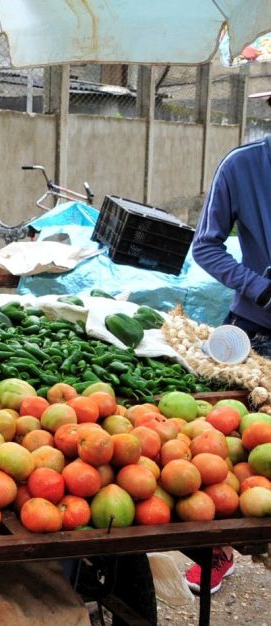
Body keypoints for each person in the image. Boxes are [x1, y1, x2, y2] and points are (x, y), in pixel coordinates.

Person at [189, 90, 271, 595]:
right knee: (228, 444)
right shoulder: (242, 166)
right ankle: (217, 549)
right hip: (255, 330)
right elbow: (206, 245)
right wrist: (259, 284)